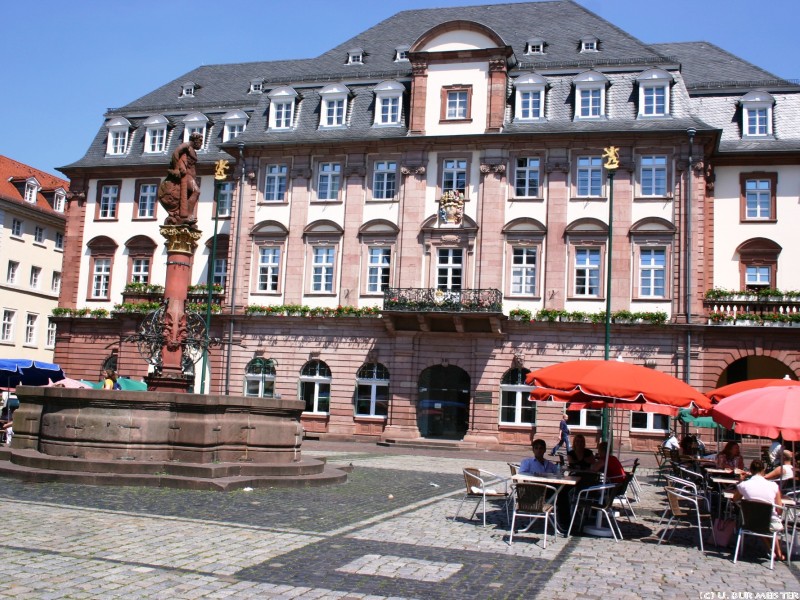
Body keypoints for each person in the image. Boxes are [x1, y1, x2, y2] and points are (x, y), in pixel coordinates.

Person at [732, 459, 785, 561]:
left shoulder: (744, 485)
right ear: (763, 470)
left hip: (749, 522)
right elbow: (779, 508)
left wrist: (741, 481)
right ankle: (777, 552)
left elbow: (735, 499)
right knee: (768, 519)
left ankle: (772, 550)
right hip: (768, 522)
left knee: (759, 518)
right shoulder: (773, 486)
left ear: (750, 471)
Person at [158, 132, 203, 226]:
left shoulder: (193, 150)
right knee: (196, 191)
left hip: (191, 177)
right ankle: (188, 214)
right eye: (200, 141)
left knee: (194, 192)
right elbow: (176, 153)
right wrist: (176, 168)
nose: (201, 143)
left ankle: (186, 213)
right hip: (186, 176)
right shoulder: (186, 146)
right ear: (195, 140)